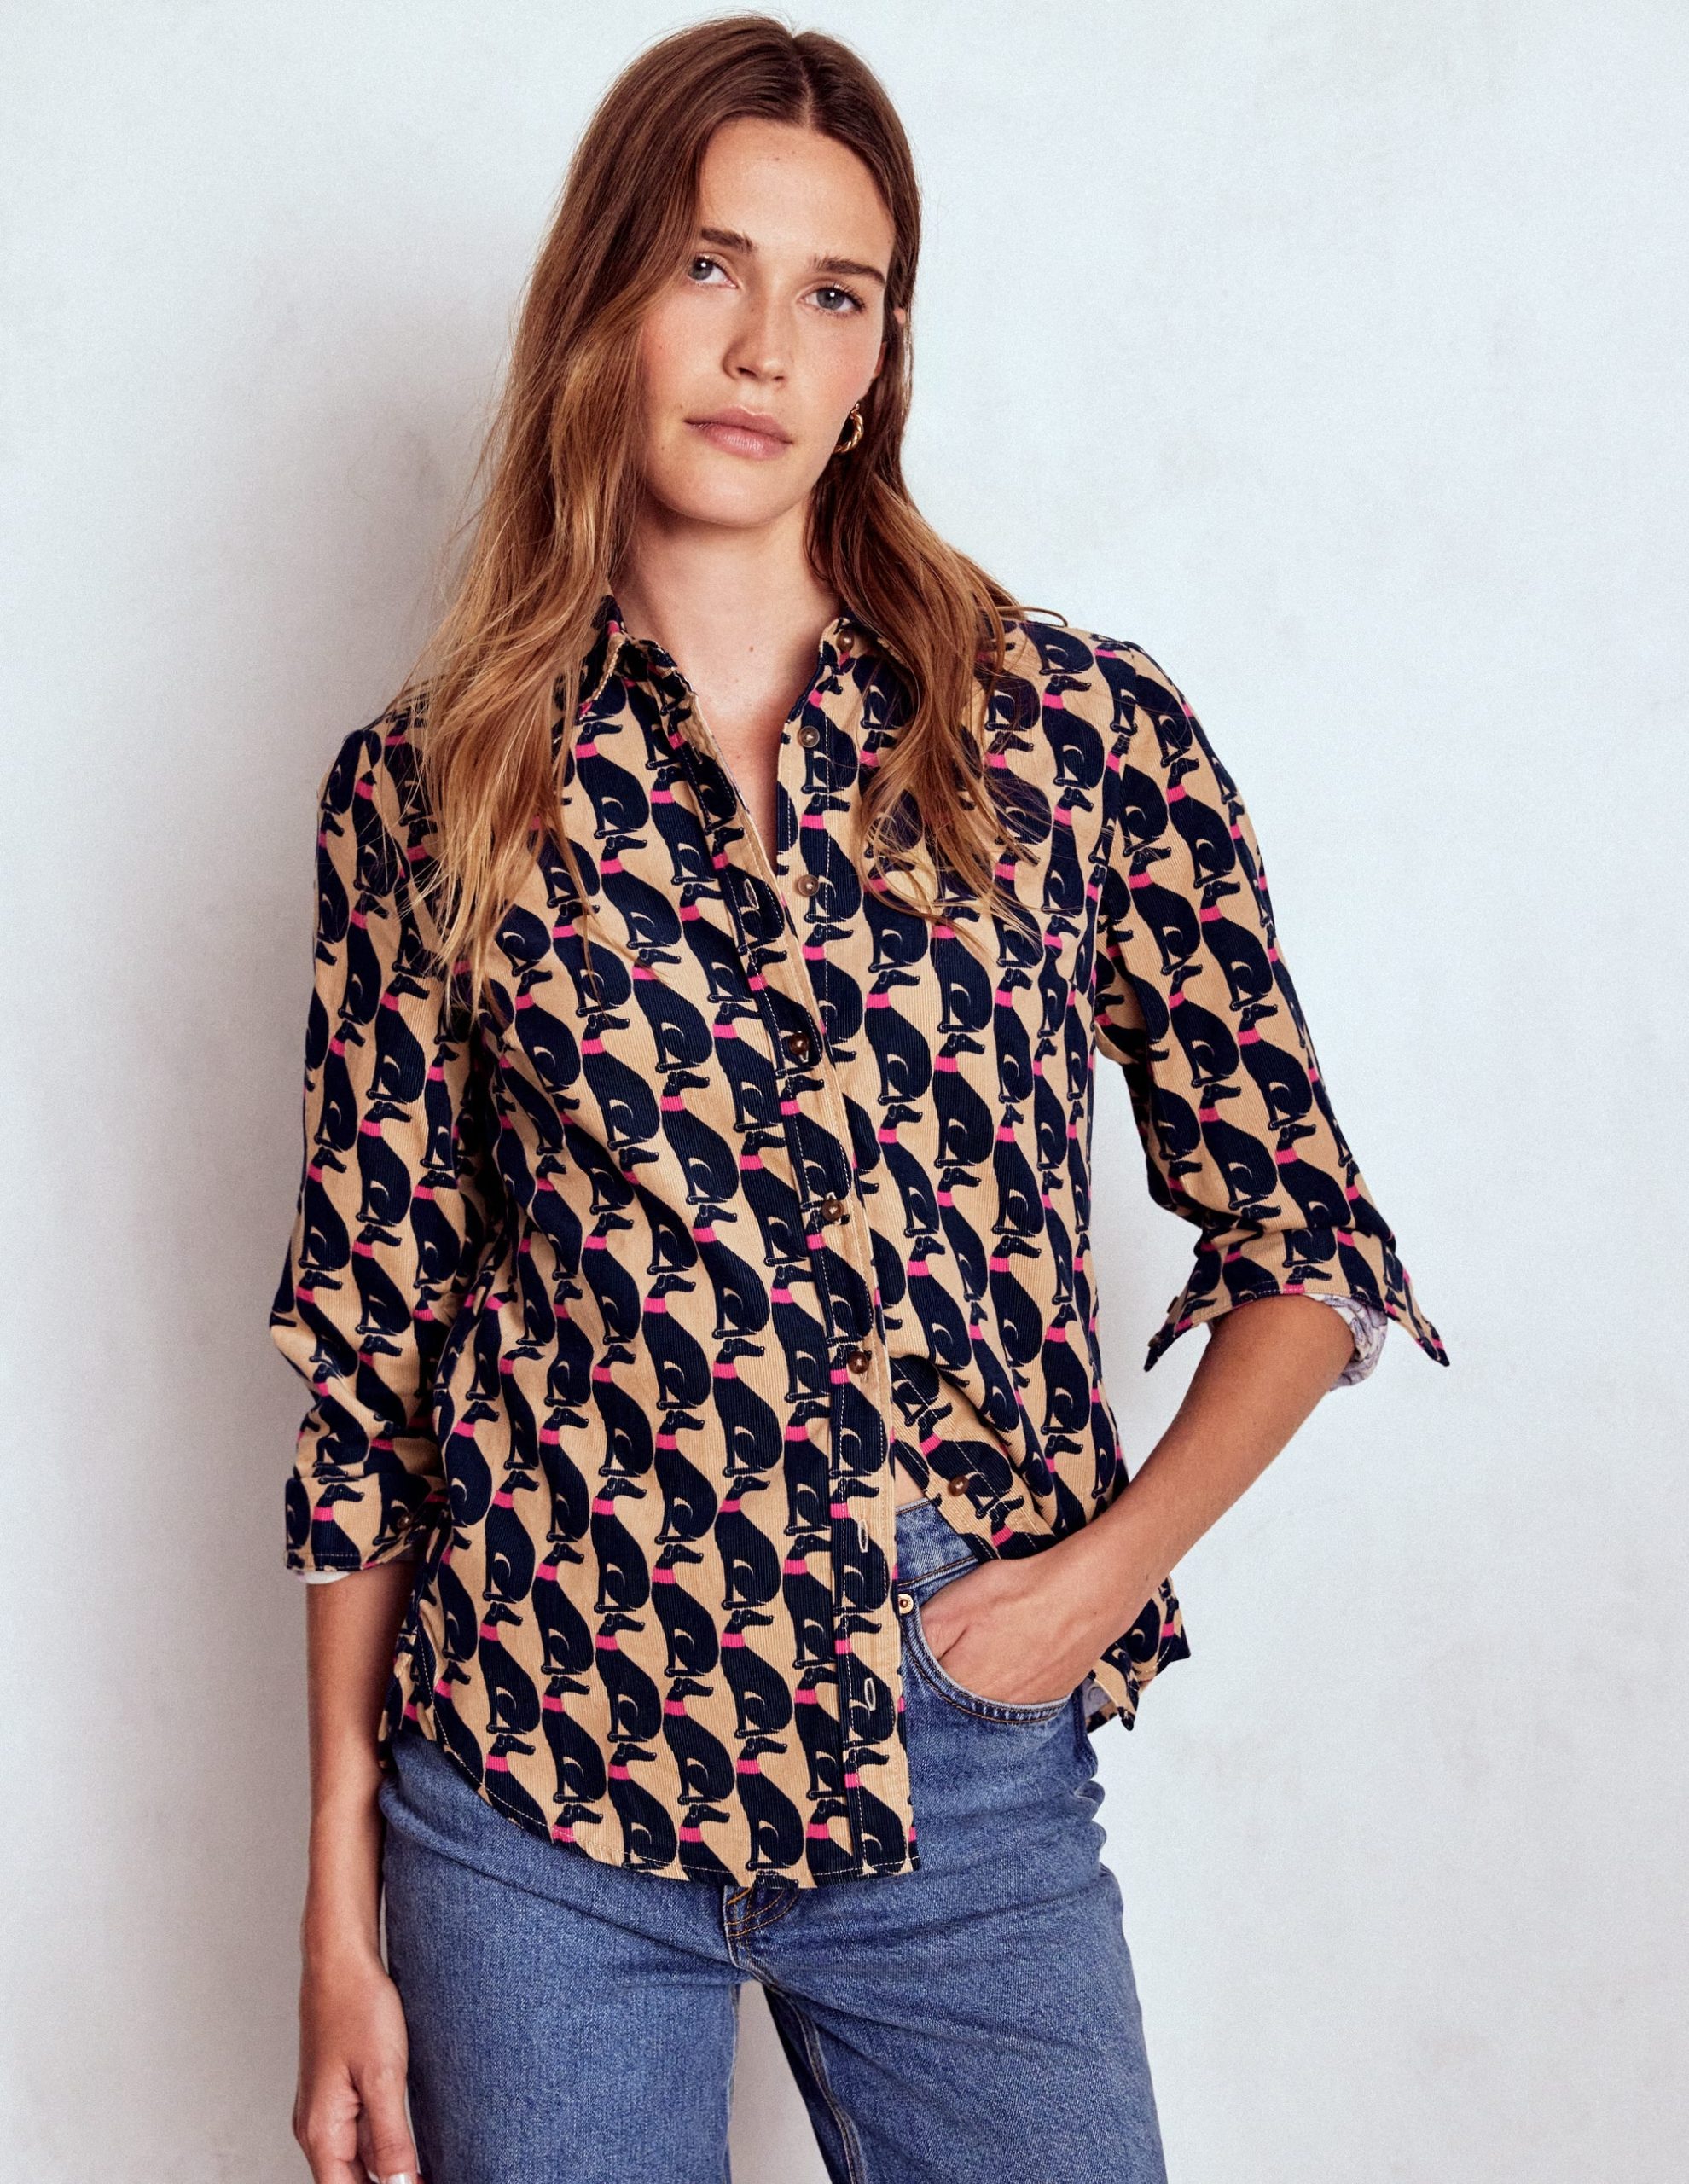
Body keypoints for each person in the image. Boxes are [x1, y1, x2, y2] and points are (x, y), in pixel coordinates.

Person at [268, 16, 1448, 2183]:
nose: (765, 348)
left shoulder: (1072, 736)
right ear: (608, 296)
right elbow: (374, 1373)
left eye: (837, 293)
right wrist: (337, 1910)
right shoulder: (432, 787)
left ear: (882, 354)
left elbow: (1307, 1233)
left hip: (960, 1752)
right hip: (531, 1775)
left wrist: (1098, 1577)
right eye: (709, 267)